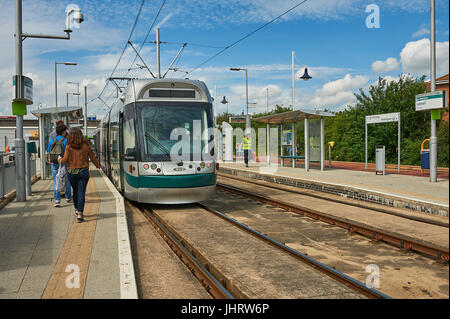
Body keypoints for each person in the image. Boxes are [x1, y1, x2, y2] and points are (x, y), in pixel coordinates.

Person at [59, 127, 101, 223]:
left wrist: (59, 160)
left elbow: (64, 160)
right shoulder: (86, 146)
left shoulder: (68, 146)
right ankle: (80, 214)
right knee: (81, 192)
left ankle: (77, 209)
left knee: (75, 192)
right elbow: (93, 157)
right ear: (81, 135)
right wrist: (98, 166)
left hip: (72, 173)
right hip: (83, 172)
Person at [47, 125, 72, 207]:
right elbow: (68, 153)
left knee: (55, 181)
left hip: (54, 163)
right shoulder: (66, 141)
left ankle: (57, 200)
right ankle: (68, 197)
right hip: (64, 163)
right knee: (66, 180)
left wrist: (49, 160)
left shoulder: (52, 140)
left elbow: (48, 152)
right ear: (64, 132)